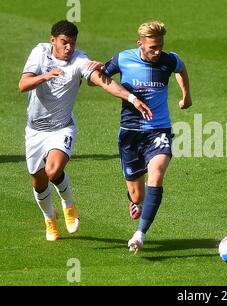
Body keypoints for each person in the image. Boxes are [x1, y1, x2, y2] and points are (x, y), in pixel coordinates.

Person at [19, 20, 152, 241]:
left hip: (62, 128)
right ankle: (49, 219)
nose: (69, 48)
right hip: (34, 131)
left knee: (53, 171)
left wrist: (131, 97)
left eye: (72, 43)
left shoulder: (79, 59)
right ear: (53, 40)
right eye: (64, 43)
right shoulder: (39, 53)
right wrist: (46, 75)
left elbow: (102, 81)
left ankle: (69, 206)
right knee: (38, 181)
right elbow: (23, 85)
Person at [101, 20, 192, 252]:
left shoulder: (167, 60)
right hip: (130, 133)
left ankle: (140, 234)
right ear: (140, 44)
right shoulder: (123, 58)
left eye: (160, 45)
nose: (157, 51)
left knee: (157, 173)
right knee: (137, 193)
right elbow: (99, 78)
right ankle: (134, 202)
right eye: (152, 47)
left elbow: (180, 68)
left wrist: (186, 95)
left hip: (159, 129)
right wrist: (94, 70)